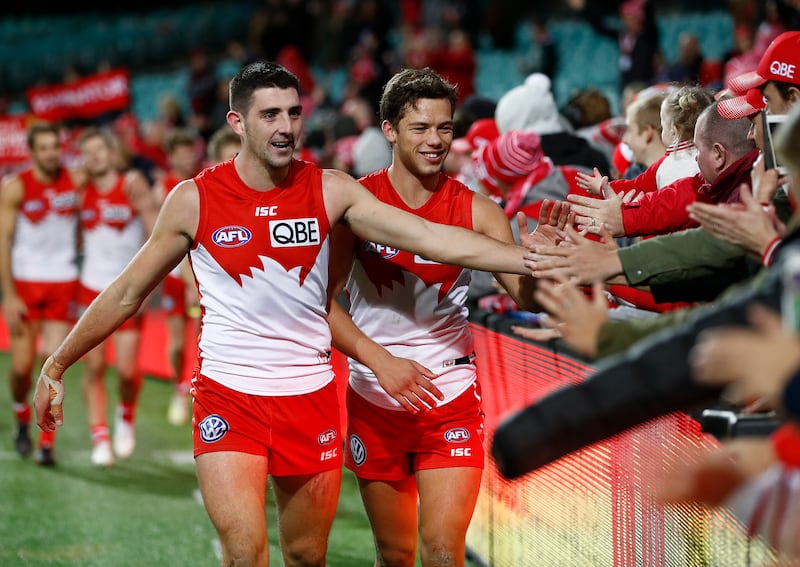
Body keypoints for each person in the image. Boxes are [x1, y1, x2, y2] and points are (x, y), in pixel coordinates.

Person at [33, 61, 537, 567]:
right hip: (228, 396)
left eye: (294, 114)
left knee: (304, 555)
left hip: (309, 397)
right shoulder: (193, 201)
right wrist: (56, 364)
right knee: (246, 553)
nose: (286, 127)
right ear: (238, 123)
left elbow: (430, 237)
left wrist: (537, 258)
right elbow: (125, 292)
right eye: (270, 114)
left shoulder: (331, 190)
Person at [326, 67, 561, 567]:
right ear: (388, 129)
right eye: (421, 128)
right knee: (395, 553)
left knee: (441, 550)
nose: (436, 141)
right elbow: (321, 305)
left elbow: (527, 297)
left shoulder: (479, 210)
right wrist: (379, 361)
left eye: (445, 127)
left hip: (448, 400)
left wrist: (546, 262)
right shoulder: (355, 204)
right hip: (374, 396)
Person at [0, 122, 84, 466]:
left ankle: (46, 442)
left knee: (51, 361)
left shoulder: (76, 179)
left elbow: (111, 168)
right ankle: (21, 415)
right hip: (24, 285)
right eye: (44, 147)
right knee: (21, 368)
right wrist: (8, 295)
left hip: (63, 282)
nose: (51, 153)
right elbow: (3, 243)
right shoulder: (16, 187)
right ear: (32, 152)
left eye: (55, 146)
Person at [76, 127, 160, 466]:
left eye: (100, 149)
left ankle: (125, 414)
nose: (95, 156)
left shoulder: (132, 185)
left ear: (112, 152)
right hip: (90, 290)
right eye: (88, 151)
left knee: (126, 372)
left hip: (127, 292)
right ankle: (100, 436)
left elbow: (157, 231)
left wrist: (152, 279)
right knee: (94, 367)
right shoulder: (80, 191)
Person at [153, 128, 204, 426]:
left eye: (190, 151)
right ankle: (177, 387)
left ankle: (198, 389)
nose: (187, 158)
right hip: (175, 276)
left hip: (199, 274)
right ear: (171, 156)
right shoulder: (164, 188)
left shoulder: (202, 182)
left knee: (203, 337)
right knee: (176, 344)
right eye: (181, 153)